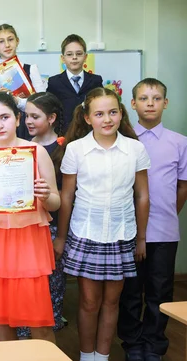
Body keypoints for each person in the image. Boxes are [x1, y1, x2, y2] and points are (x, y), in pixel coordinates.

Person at [53, 87, 150, 361]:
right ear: (86, 118)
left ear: (121, 114)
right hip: (86, 233)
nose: (106, 119)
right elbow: (67, 196)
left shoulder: (135, 149)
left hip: (122, 233)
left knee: (112, 301)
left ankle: (102, 356)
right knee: (88, 301)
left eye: (112, 112)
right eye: (99, 114)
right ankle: (87, 356)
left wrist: (141, 238)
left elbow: (142, 195)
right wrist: (61, 237)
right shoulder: (76, 149)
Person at [0, 93, 59, 343]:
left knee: (39, 319)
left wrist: (46, 195)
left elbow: (56, 202)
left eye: (5, 117)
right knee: (1, 319)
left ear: (17, 119)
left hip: (28, 240)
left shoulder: (36, 152)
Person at [117, 78, 187, 361]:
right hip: (128, 230)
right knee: (130, 292)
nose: (150, 103)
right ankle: (132, 345)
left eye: (156, 98)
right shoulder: (123, 140)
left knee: (160, 292)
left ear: (165, 103)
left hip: (164, 231)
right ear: (132, 104)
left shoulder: (179, 142)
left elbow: (182, 187)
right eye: (143, 98)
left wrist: (169, 213)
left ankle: (154, 345)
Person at [16, 92, 66, 338]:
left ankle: (46, 348)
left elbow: (65, 199)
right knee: (23, 297)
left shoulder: (64, 148)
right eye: (26, 116)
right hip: (24, 231)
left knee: (50, 293)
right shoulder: (19, 148)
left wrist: (61, 237)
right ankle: (22, 345)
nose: (29, 121)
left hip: (53, 229)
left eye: (35, 116)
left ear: (52, 117)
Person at [0, 23, 47, 140]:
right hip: (2, 127)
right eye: (1, 41)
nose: (7, 45)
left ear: (17, 41)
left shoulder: (31, 69)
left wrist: (18, 101)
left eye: (10, 40)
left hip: (30, 126)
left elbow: (43, 104)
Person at [46, 34, 103, 134]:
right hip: (64, 135)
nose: (74, 57)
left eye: (79, 53)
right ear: (63, 58)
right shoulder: (54, 82)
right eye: (69, 54)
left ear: (85, 57)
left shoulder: (95, 81)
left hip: (91, 132)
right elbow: (50, 110)